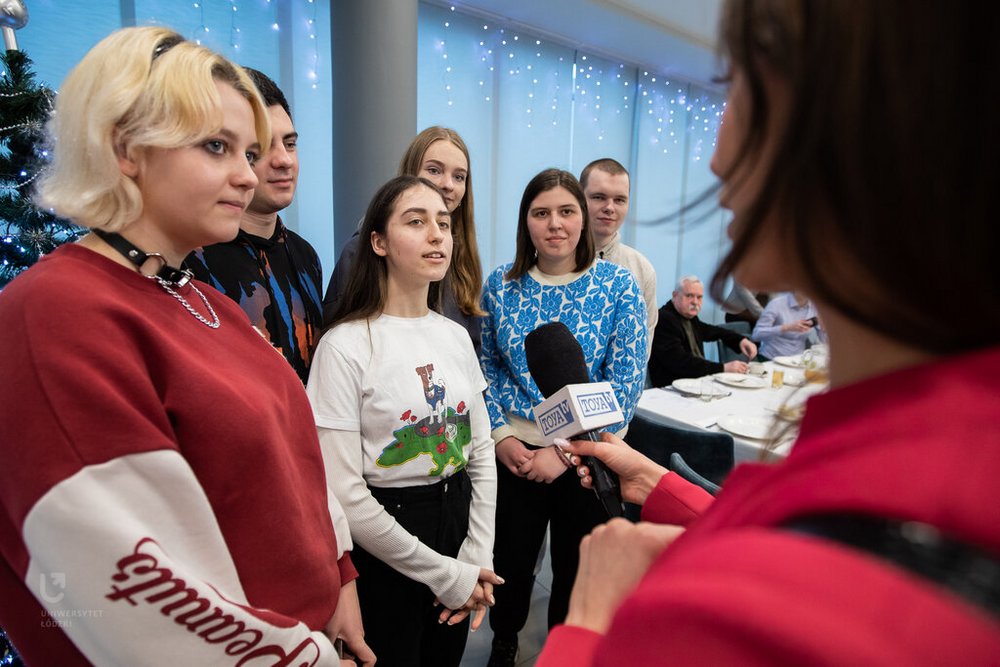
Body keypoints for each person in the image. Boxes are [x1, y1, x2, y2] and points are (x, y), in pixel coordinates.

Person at [537, 1, 1000, 664]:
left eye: (740, 91)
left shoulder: (756, 619)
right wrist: (668, 491)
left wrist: (589, 622)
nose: (719, 156)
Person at [0, 27, 373, 665]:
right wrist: (304, 655)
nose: (246, 176)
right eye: (216, 146)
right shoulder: (52, 313)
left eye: (249, 152)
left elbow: (292, 465)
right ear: (125, 148)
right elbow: (138, 591)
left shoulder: (200, 298)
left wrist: (339, 578)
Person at [306, 175, 500, 667]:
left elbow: (479, 453)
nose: (437, 235)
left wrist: (476, 553)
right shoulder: (345, 346)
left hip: (456, 520)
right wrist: (442, 573)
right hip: (385, 537)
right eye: (416, 222)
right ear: (379, 242)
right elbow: (344, 493)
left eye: (443, 223)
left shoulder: (455, 336)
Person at [479, 168, 647, 666]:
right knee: (509, 561)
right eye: (541, 212)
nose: (555, 224)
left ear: (582, 218)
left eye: (566, 211)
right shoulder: (501, 286)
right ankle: (504, 642)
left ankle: (562, 651)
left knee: (575, 569)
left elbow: (626, 379)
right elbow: (484, 367)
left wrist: (563, 452)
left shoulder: (617, 285)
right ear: (525, 222)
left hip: (585, 459)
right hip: (514, 456)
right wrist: (502, 435)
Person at [185, 68, 322, 384]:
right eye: (261, 147)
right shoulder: (191, 259)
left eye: (289, 144)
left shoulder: (306, 256)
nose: (283, 160)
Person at [322, 126, 484, 352]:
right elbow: (341, 343)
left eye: (459, 176)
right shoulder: (360, 251)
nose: (448, 184)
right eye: (434, 170)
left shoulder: (461, 257)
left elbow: (471, 350)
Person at [579, 158, 658, 352]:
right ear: (579, 198)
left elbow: (642, 349)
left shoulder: (641, 269)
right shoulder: (552, 262)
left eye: (619, 200)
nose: (610, 207)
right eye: (599, 197)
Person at [647, 275, 757, 386]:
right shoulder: (664, 319)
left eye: (699, 297)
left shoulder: (688, 317)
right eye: (689, 296)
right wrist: (723, 368)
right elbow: (681, 363)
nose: (695, 302)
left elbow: (712, 331)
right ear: (675, 296)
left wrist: (741, 340)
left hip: (693, 384)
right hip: (671, 389)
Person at [752, 290, 823, 360]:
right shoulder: (776, 304)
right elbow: (756, 335)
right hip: (771, 358)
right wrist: (786, 328)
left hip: (797, 360)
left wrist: (824, 328)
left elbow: (826, 343)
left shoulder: (815, 308)